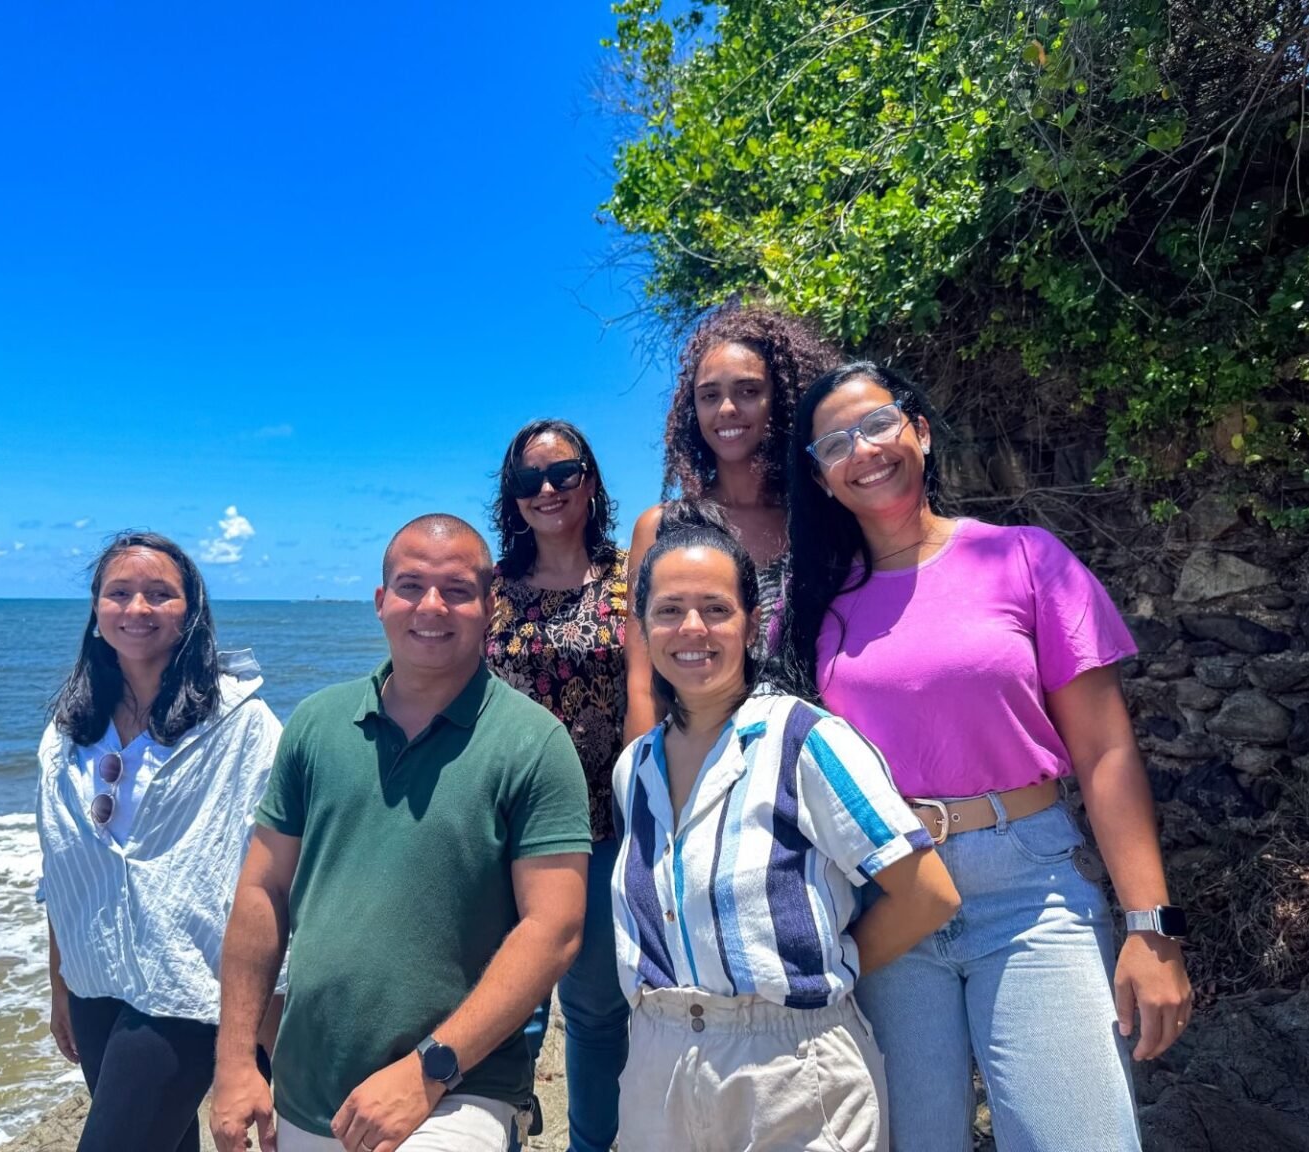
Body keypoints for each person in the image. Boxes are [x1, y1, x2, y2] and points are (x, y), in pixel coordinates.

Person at [776, 361, 1194, 1151]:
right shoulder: (812, 614)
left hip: (1030, 889)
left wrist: (1151, 926)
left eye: (877, 424)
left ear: (920, 433)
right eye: (835, 444)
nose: (863, 451)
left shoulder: (1026, 559)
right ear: (822, 479)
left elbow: (1105, 750)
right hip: (888, 898)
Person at [210, 513, 592, 1152]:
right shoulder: (316, 724)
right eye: (411, 586)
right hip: (309, 1088)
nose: (432, 606)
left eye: (459, 589)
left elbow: (555, 930)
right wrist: (235, 1061)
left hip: (459, 1088)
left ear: (490, 607)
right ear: (382, 601)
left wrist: (430, 1069)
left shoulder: (534, 743)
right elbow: (262, 890)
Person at [611, 503, 961, 1152]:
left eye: (716, 608)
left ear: (751, 624)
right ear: (642, 628)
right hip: (657, 1071)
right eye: (668, 610)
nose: (693, 627)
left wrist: (827, 970)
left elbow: (928, 895)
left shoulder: (805, 741)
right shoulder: (635, 769)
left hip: (793, 1069)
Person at [36, 531, 283, 1152]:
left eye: (159, 594)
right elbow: (64, 868)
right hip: (94, 978)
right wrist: (60, 983)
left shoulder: (240, 723)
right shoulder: (70, 729)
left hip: (187, 984)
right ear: (96, 611)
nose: (137, 609)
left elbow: (274, 868)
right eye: (119, 593)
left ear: (191, 611)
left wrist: (264, 1022)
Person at [486, 419, 630, 1152]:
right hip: (502, 830)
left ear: (591, 480)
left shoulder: (632, 578)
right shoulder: (487, 592)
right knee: (507, 1007)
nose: (544, 490)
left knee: (597, 1009)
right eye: (526, 480)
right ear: (510, 497)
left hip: (606, 827)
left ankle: (591, 1145)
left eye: (561, 473)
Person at [624, 305, 838, 744]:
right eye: (709, 395)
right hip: (698, 766)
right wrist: (642, 796)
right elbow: (645, 686)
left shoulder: (820, 517)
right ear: (692, 410)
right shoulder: (663, 528)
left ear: (777, 399)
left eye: (747, 390)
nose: (726, 409)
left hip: (813, 760)